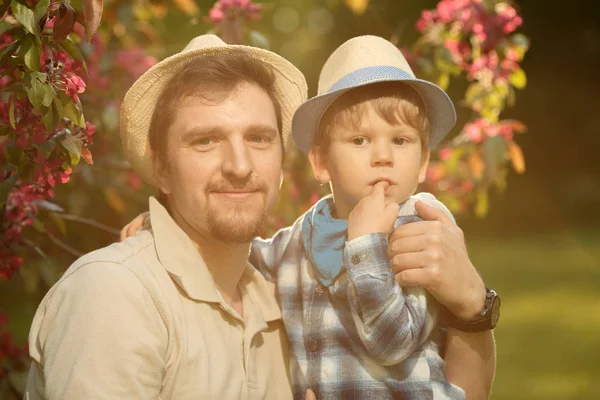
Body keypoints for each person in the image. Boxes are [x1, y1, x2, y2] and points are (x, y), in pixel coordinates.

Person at [121, 36, 498, 399]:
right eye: (360, 140)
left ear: (423, 162)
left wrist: (367, 246)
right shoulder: (300, 237)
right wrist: (165, 223)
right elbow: (234, 254)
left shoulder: (418, 227)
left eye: (400, 141)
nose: (383, 156)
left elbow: (391, 344)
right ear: (320, 161)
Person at [24, 34, 308, 399]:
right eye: (205, 140)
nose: (240, 165)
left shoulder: (282, 308)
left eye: (258, 138)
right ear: (162, 169)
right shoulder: (118, 292)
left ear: (282, 164)